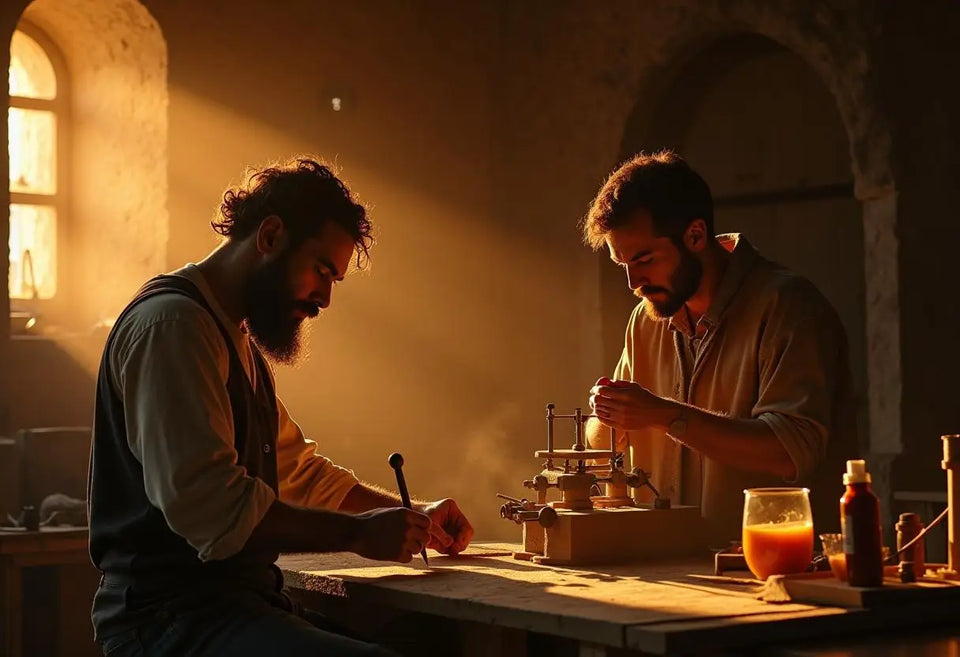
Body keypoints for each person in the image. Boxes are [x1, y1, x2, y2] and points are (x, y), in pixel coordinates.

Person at [88, 156, 474, 656]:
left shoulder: (235, 342)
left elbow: (301, 475)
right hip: (168, 625)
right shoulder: (174, 329)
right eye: (321, 270)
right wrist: (357, 534)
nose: (325, 299)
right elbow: (213, 509)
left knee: (432, 640)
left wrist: (409, 513)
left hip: (236, 607)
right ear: (269, 236)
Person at [582, 150, 857, 545]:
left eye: (644, 259)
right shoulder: (647, 318)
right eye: (622, 264)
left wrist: (663, 414)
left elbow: (790, 452)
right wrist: (606, 414)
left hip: (776, 577)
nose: (633, 282)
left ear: (695, 235)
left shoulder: (788, 306)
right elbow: (606, 441)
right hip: (672, 573)